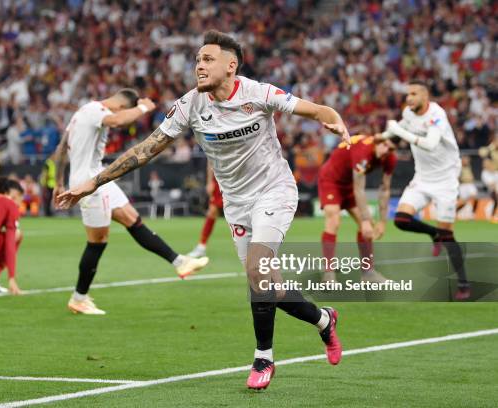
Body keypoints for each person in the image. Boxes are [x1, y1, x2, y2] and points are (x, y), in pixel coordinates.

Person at [56, 30, 348, 390]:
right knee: (265, 286)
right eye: (197, 60)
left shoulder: (259, 93)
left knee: (259, 268)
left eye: (207, 59)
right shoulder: (190, 105)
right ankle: (323, 320)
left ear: (231, 65)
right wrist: (95, 181)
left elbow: (316, 109)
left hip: (275, 191)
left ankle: (263, 358)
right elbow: (147, 149)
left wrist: (332, 118)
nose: (199, 66)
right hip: (236, 203)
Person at [53, 88, 209, 316]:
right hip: (88, 182)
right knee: (97, 241)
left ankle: (179, 262)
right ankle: (79, 298)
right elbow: (117, 120)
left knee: (132, 219)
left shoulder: (81, 113)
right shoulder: (97, 110)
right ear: (123, 105)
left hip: (99, 176)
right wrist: (144, 107)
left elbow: (60, 149)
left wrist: (58, 181)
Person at [382, 80, 470, 300]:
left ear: (425, 96)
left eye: (414, 93)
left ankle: (463, 283)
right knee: (401, 219)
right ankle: (433, 234)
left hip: (446, 180)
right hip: (422, 178)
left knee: (448, 234)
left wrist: (399, 132)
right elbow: (397, 130)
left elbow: (430, 144)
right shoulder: (409, 113)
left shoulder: (437, 115)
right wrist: (377, 138)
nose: (408, 98)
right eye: (407, 94)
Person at [319, 135, 397, 283]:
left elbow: (385, 190)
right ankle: (328, 274)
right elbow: (359, 189)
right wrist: (366, 219)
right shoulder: (364, 152)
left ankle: (368, 274)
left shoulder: (390, 158)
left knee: (366, 228)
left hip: (350, 184)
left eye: (392, 148)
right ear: (378, 142)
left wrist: (382, 221)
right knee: (334, 221)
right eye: (385, 145)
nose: (387, 150)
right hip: (331, 180)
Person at [188, 163, 223, 258]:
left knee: (238, 214)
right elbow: (210, 160)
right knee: (212, 212)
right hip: (219, 179)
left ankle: (254, 245)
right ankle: (201, 247)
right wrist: (210, 181)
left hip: (237, 178)